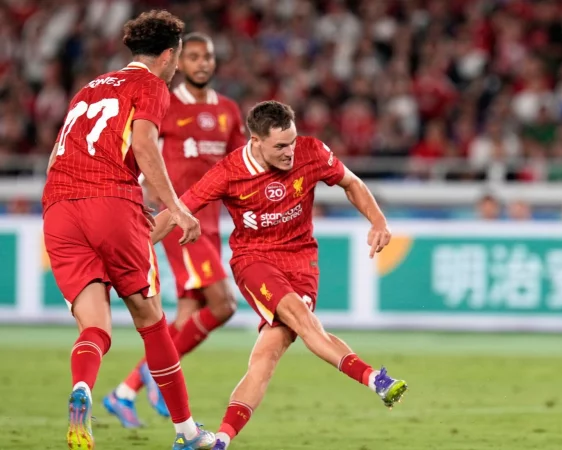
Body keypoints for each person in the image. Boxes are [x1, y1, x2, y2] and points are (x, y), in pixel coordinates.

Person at [149, 101, 408, 449]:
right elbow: (177, 210)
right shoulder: (229, 171)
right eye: (280, 146)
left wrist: (378, 220)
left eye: (292, 141)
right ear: (255, 141)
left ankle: (221, 440)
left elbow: (351, 182)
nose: (290, 152)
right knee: (302, 320)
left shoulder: (311, 151)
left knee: (265, 357)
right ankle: (375, 378)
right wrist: (135, 247)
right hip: (254, 260)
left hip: (302, 262)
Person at [41, 10, 216, 450]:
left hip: (58, 206)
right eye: (177, 58)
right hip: (110, 202)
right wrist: (175, 208)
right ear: (167, 56)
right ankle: (187, 433)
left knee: (94, 325)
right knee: (152, 321)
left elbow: (54, 158)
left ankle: (82, 389)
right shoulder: (152, 85)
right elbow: (141, 145)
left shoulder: (90, 87)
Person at [104, 32, 246, 428]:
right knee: (223, 305)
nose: (202, 63)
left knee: (187, 315)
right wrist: (148, 198)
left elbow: (238, 165)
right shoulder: (165, 103)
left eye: (209, 57)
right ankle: (153, 375)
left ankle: (125, 391)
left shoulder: (230, 111)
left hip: (212, 223)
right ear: (180, 62)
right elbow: (139, 149)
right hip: (180, 220)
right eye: (195, 56)